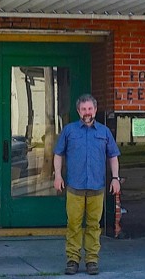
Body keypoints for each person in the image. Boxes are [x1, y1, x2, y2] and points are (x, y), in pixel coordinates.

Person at [53, 94, 121, 276]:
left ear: (95, 110)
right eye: (83, 109)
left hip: (97, 188)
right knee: (73, 225)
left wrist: (115, 178)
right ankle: (72, 260)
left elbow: (113, 156)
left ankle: (92, 260)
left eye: (90, 109)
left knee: (93, 226)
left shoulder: (104, 132)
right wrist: (58, 175)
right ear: (78, 111)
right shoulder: (69, 131)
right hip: (74, 187)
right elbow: (58, 154)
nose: (87, 112)